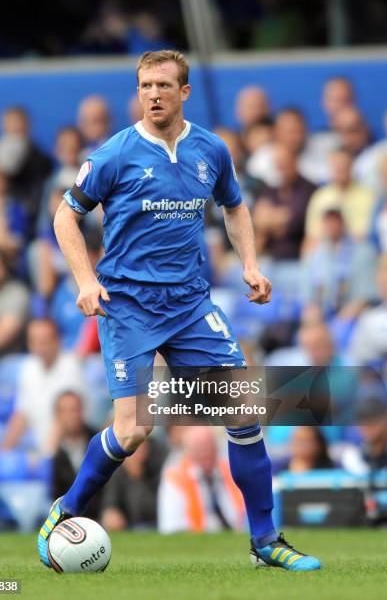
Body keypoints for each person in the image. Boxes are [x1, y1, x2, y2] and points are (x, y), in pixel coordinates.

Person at [38, 49, 320, 571]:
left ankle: (264, 542)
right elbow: (64, 216)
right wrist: (84, 280)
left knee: (245, 410)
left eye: (163, 85)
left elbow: (234, 205)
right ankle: (67, 509)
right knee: (131, 430)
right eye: (145, 86)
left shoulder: (210, 150)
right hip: (128, 307)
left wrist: (251, 265)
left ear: (183, 92)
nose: (153, 95)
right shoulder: (115, 154)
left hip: (191, 305)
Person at [0, 318, 88, 456]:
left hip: (69, 452)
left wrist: (47, 456)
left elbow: (68, 416)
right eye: (33, 341)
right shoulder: (28, 367)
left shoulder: (71, 366)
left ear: (57, 340)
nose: (39, 347)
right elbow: (21, 415)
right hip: (44, 450)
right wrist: (1, 453)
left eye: (44, 341)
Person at [158, 427, 244, 533]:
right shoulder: (176, 477)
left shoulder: (230, 472)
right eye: (199, 449)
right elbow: (172, 527)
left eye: (209, 447)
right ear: (188, 452)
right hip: (195, 540)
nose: (205, 453)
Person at [305, 149, 376, 247]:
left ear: (351, 167)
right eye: (336, 167)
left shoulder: (367, 196)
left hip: (356, 249)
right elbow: (312, 236)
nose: (340, 171)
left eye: (343, 167)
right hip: (326, 250)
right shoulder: (320, 196)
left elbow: (366, 234)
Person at [51, 391, 102, 521]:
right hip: (65, 520)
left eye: (74, 410)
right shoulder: (54, 451)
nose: (71, 416)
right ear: (57, 415)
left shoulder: (98, 442)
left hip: (98, 516)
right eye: (65, 411)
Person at [102, 437, 166, 531]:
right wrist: (110, 513)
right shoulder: (117, 471)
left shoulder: (159, 464)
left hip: (156, 525)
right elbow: (110, 503)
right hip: (128, 527)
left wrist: (137, 479)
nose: (135, 452)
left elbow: (155, 508)